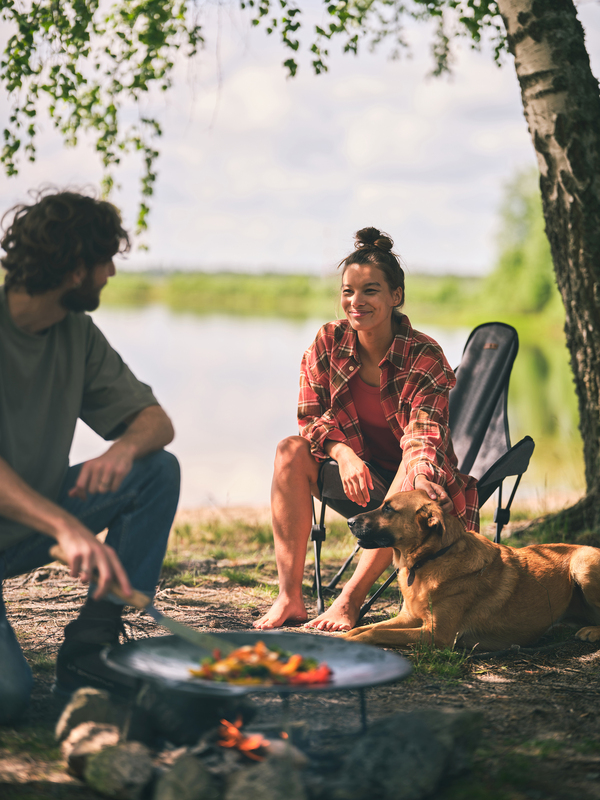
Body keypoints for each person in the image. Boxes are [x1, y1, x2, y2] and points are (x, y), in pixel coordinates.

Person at [0, 190, 180, 725]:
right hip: (39, 519)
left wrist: (122, 450)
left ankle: (90, 649)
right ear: (76, 266)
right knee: (9, 699)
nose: (111, 274)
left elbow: (158, 424)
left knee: (154, 470)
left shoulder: (75, 332)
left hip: (23, 529)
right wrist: (67, 528)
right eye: (105, 261)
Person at [254, 227, 478, 632]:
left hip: (413, 489)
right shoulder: (327, 341)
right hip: (353, 476)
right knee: (289, 449)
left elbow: (423, 436)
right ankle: (290, 598)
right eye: (348, 291)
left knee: (407, 475)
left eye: (370, 291)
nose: (356, 302)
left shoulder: (423, 355)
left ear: (396, 296)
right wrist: (344, 454)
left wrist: (421, 478)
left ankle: (348, 602)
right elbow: (310, 418)